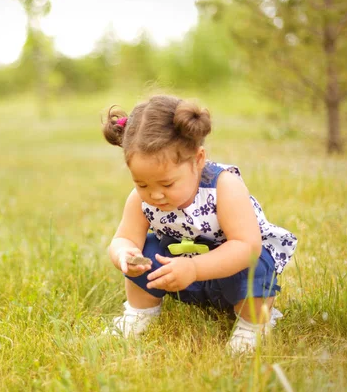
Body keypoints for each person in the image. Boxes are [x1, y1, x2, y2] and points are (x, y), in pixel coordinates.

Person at [102, 95, 297, 352]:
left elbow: (246, 247)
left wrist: (194, 268)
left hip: (230, 269)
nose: (155, 194)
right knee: (146, 249)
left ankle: (253, 325)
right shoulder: (141, 199)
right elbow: (123, 238)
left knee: (256, 263)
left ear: (198, 159)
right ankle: (139, 312)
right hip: (180, 274)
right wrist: (124, 253)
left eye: (167, 183)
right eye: (142, 184)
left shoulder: (224, 186)